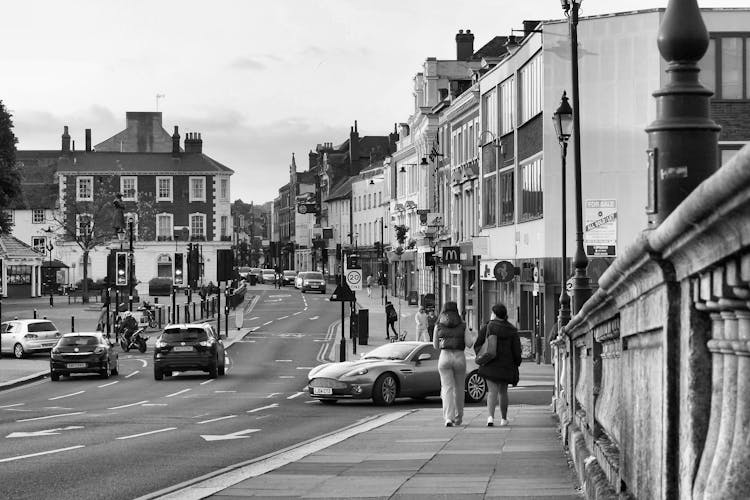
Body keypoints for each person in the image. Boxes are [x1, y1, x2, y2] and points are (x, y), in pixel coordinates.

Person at [475, 303, 522, 427]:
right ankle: (504, 418)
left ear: (494, 314)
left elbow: (478, 344)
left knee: (492, 392)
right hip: (506, 365)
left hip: (490, 363)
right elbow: (517, 351)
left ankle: (490, 417)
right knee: (503, 392)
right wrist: (517, 363)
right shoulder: (512, 330)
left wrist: (482, 356)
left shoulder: (488, 327)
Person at [433, 301, 473, 427]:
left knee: (447, 389)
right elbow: (469, 343)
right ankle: (458, 417)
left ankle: (448, 418)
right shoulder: (463, 325)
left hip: (444, 357)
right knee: (459, 389)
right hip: (459, 357)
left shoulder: (438, 325)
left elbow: (435, 346)